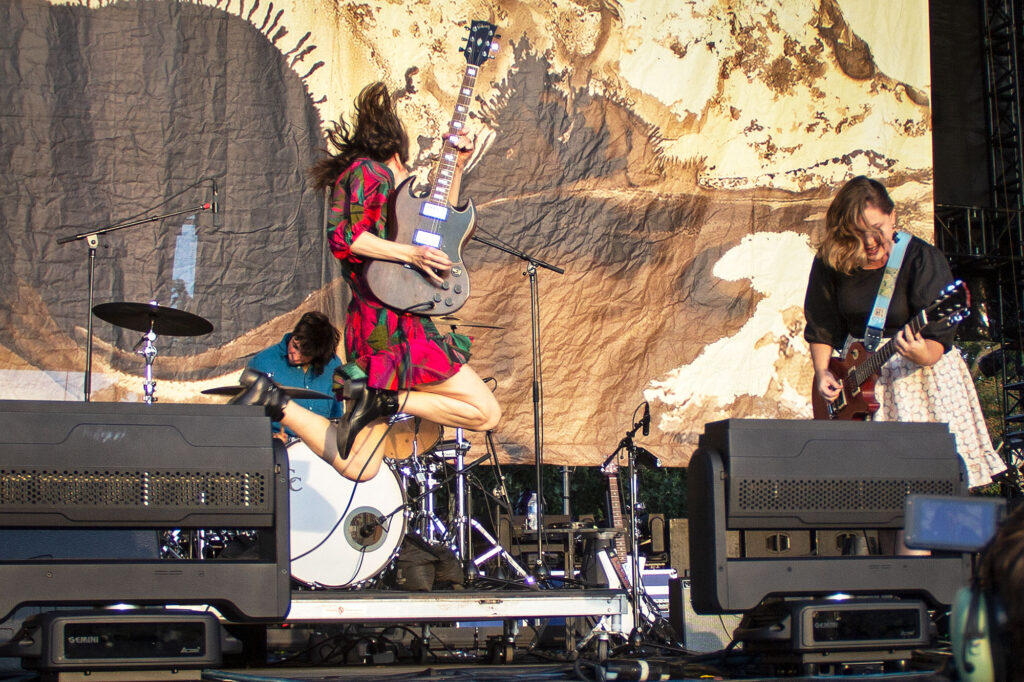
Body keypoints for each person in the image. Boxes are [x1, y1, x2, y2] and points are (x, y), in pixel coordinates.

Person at [231, 82, 500, 482]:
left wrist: (456, 167)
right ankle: (386, 399)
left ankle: (275, 401)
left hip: (380, 325)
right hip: (391, 325)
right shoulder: (370, 172)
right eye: (408, 172)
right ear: (396, 154)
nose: (411, 181)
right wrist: (412, 254)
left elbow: (433, 230)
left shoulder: (380, 187)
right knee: (485, 412)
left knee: (360, 466)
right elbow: (346, 236)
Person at [803, 176, 1005, 491]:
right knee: (879, 496)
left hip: (918, 380)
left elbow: (938, 341)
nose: (869, 241)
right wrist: (822, 371)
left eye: (876, 229)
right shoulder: (832, 260)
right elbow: (821, 323)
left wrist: (920, 353)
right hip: (858, 382)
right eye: (857, 233)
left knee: (924, 493)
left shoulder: (921, 258)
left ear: (893, 216)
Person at [246, 311, 343, 440]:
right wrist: (269, 438)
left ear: (318, 355)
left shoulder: (333, 365)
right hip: (279, 448)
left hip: (323, 446)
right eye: (295, 346)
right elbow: (246, 417)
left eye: (304, 354)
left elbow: (338, 415)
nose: (295, 354)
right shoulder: (263, 362)